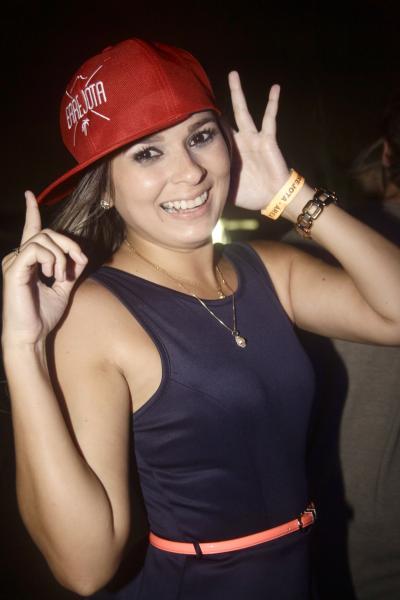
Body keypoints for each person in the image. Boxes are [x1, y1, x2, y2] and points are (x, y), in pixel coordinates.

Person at [2, 38, 400, 600]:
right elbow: (85, 568)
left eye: (200, 137)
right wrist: (22, 348)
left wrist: (291, 195)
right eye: (147, 153)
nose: (189, 171)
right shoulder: (97, 313)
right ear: (105, 188)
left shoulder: (268, 268)